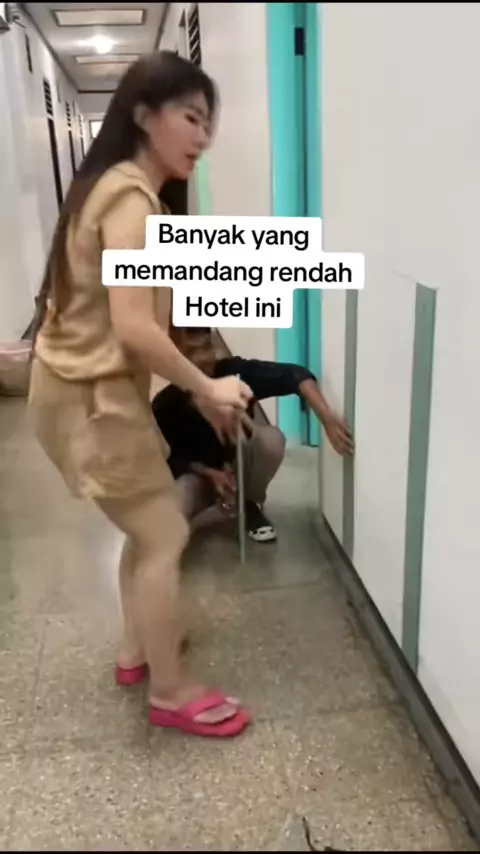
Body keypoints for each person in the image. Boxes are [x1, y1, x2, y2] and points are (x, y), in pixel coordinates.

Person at [27, 52, 253, 739]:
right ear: (144, 116)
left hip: (86, 393)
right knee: (164, 534)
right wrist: (207, 384)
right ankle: (170, 691)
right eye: (191, 117)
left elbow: (147, 322)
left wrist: (200, 388)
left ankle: (136, 650)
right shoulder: (130, 199)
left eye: (208, 122)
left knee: (144, 527)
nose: (203, 136)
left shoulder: (117, 190)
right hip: (91, 402)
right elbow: (133, 328)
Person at [152, 327, 354, 541]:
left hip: (238, 465)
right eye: (193, 351)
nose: (205, 357)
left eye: (207, 346)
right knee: (172, 513)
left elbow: (294, 375)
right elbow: (169, 458)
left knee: (272, 440)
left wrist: (327, 418)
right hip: (199, 476)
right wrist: (210, 474)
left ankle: (248, 502)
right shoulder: (164, 404)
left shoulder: (233, 373)